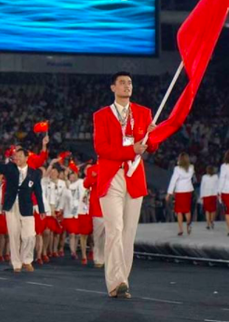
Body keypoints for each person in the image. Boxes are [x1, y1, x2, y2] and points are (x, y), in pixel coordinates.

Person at [93, 71, 158, 298]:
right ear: (113, 88)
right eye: (122, 83)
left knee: (129, 233)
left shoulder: (143, 113)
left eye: (129, 82)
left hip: (134, 176)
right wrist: (131, 150)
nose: (127, 86)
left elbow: (152, 147)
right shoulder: (101, 115)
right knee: (115, 230)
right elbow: (101, 148)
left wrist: (152, 136)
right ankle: (115, 281)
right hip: (111, 177)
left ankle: (123, 281)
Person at [0, 137, 47, 273]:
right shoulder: (10, 168)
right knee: (14, 235)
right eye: (15, 156)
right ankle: (17, 263)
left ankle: (27, 260)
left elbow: (38, 192)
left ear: (27, 158)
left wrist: (41, 209)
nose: (16, 158)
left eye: (20, 156)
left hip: (27, 207)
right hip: (11, 206)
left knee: (29, 235)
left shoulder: (34, 173)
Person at [166, 153, 195, 236]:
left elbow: (173, 181)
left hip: (180, 191)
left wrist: (169, 193)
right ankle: (188, 225)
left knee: (179, 211)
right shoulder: (191, 168)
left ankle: (180, 229)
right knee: (187, 209)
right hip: (188, 190)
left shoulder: (177, 169)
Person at [83, 163, 105, 268]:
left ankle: (108, 258)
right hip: (97, 207)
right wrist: (94, 177)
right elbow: (86, 184)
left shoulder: (116, 166)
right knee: (98, 235)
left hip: (111, 205)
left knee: (110, 236)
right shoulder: (91, 169)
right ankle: (98, 258)